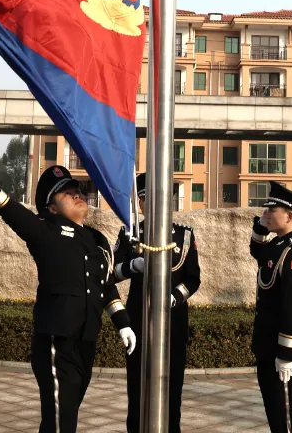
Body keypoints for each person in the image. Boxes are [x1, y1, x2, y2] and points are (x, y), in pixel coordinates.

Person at [0, 152, 137, 433]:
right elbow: (8, 207)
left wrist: (123, 324)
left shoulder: (97, 240)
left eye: (76, 189)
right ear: (52, 208)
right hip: (56, 343)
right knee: (61, 422)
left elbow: (105, 286)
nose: (76, 194)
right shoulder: (45, 232)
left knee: (60, 418)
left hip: (85, 342)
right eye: (65, 193)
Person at [113, 173, 201, 433]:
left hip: (173, 325)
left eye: (160, 198)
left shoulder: (184, 236)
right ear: (139, 204)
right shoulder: (130, 234)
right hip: (139, 323)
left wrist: (176, 296)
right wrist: (132, 266)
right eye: (146, 199)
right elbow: (111, 273)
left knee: (173, 395)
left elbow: (194, 279)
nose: (153, 204)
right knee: (137, 392)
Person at [249, 181, 292, 433]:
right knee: (276, 416)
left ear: (288, 216)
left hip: (284, 351)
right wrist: (259, 226)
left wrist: (286, 354)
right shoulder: (277, 246)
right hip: (268, 347)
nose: (265, 213)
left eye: (271, 210)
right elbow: (257, 251)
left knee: (287, 418)